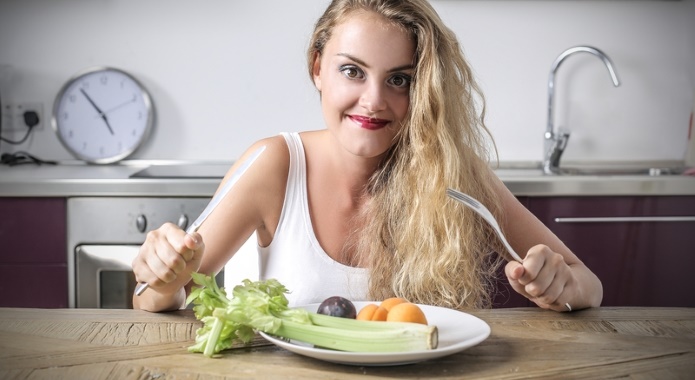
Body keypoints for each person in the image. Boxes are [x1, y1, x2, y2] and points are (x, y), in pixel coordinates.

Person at [132, 0, 602, 313]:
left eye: (399, 79)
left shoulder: (455, 176)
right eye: (353, 71)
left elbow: (589, 286)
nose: (374, 100)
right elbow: (155, 299)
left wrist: (559, 285)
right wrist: (164, 274)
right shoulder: (275, 164)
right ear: (318, 68)